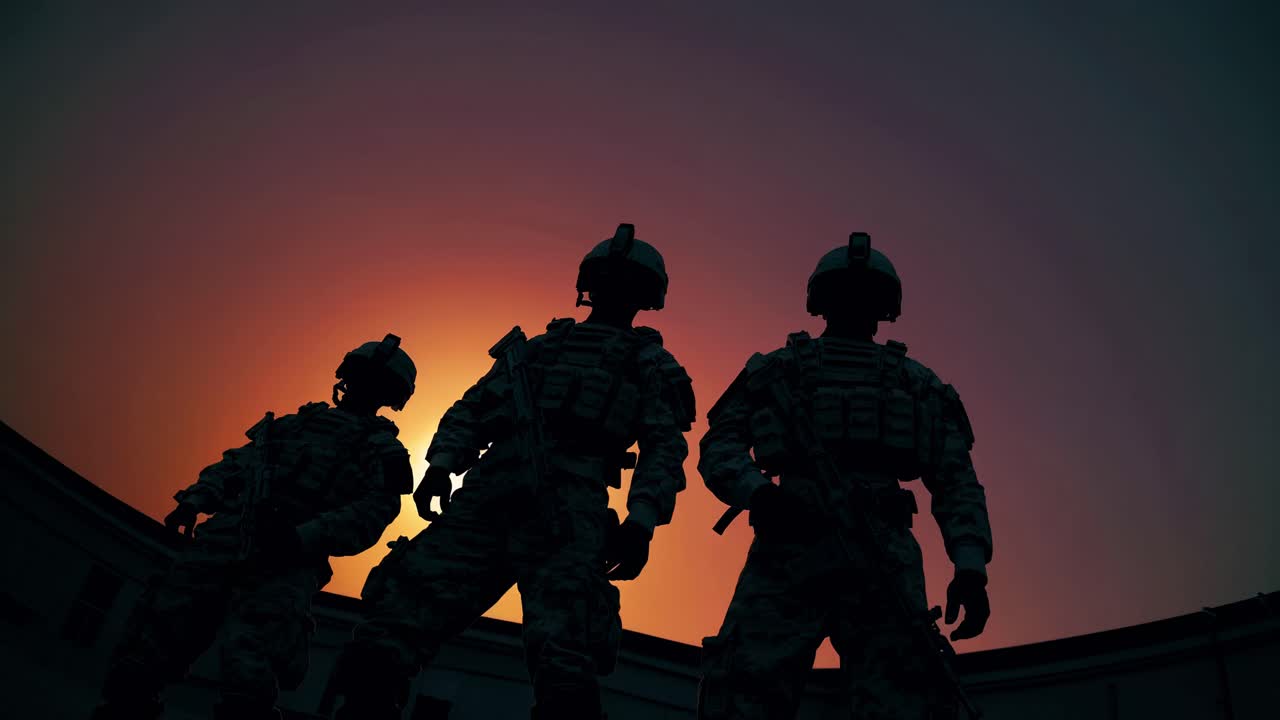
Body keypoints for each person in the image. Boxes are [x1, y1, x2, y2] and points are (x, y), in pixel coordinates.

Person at [330, 224, 695, 720]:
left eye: (626, 282)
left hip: (569, 509)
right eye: (607, 278)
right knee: (397, 614)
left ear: (645, 297)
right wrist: (441, 466)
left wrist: (642, 519)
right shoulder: (535, 350)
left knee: (568, 648)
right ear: (590, 283)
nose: (614, 290)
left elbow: (663, 446)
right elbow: (473, 410)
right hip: (487, 494)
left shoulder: (651, 364)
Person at [697, 233, 992, 720]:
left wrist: (970, 567)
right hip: (791, 540)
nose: (855, 303)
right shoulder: (778, 372)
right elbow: (720, 443)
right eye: (845, 292)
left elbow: (955, 477)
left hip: (880, 549)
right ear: (823, 301)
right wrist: (759, 495)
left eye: (865, 294)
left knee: (901, 699)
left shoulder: (917, 384)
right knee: (746, 687)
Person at [92, 335, 417, 720]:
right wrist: (195, 500)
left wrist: (303, 536)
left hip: (288, 561)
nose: (364, 388)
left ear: (389, 395)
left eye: (376, 383)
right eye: (362, 377)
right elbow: (237, 465)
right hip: (225, 538)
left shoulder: (383, 451)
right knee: (150, 645)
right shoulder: (290, 425)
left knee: (252, 675)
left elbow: (374, 512)